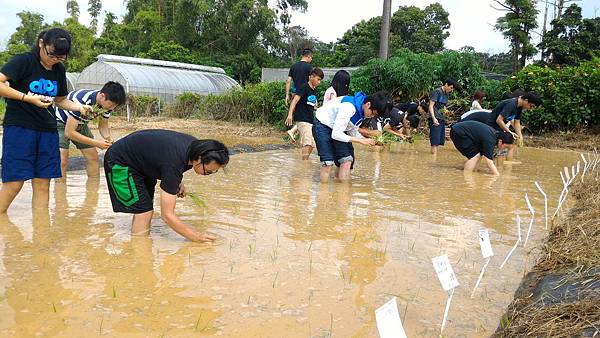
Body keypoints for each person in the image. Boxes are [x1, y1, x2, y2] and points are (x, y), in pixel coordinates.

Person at [0, 28, 92, 213]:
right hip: (20, 128)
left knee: (43, 183)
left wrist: (79, 107)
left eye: (60, 57)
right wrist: (27, 98)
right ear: (41, 43)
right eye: (52, 54)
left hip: (47, 131)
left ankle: (41, 233)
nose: (54, 59)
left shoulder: (59, 70)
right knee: (15, 183)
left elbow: (60, 100)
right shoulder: (24, 61)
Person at [103, 129, 229, 242]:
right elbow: (167, 215)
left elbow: (166, 159)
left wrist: (178, 182)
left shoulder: (196, 148)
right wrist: (195, 236)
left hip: (141, 163)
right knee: (144, 211)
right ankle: (139, 254)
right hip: (120, 162)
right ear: (199, 158)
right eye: (207, 171)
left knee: (145, 205)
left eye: (213, 172)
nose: (208, 174)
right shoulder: (175, 162)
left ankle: (140, 244)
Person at [312, 91, 389, 183]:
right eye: (373, 113)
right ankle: (323, 192)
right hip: (322, 124)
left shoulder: (360, 109)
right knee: (327, 163)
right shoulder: (349, 107)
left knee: (347, 160)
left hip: (336, 127)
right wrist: (361, 141)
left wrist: (365, 140)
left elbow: (352, 130)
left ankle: (342, 191)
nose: (371, 116)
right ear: (368, 104)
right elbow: (336, 134)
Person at [55, 81, 126, 180]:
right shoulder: (82, 100)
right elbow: (69, 132)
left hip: (80, 124)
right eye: (111, 104)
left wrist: (108, 138)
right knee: (62, 160)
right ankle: (60, 190)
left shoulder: (107, 105)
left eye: (115, 106)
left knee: (93, 157)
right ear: (102, 96)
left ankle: (93, 190)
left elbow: (103, 125)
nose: (112, 108)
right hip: (60, 123)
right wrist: (96, 143)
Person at [485, 92, 541, 160]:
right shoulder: (511, 104)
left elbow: (517, 122)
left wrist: (520, 137)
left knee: (505, 147)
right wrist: (509, 132)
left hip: (498, 127)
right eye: (531, 106)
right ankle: (503, 166)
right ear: (526, 100)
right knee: (506, 146)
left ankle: (500, 164)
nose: (530, 108)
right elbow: (499, 120)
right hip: (490, 127)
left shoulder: (519, 107)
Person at [285, 68, 324, 160]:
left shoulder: (313, 90)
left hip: (310, 120)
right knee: (308, 143)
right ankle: (304, 164)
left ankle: (303, 161)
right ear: (311, 77)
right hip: (302, 119)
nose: (319, 82)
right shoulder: (304, 87)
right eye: (318, 79)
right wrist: (290, 114)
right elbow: (294, 100)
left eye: (320, 80)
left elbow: (313, 105)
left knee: (312, 145)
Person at [450, 120, 514, 175]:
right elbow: (489, 162)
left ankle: (473, 172)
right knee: (475, 156)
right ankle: (467, 176)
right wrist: (497, 175)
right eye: (505, 147)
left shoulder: (494, 136)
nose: (504, 149)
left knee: (479, 155)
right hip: (458, 132)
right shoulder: (490, 140)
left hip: (460, 131)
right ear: (500, 141)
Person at [285, 48, 314, 141]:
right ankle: (294, 132)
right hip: (305, 94)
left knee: (299, 115)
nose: (311, 59)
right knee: (306, 116)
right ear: (308, 56)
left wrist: (287, 95)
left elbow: (288, 81)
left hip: (295, 94)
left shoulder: (293, 66)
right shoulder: (309, 67)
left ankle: (295, 133)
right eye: (311, 57)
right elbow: (312, 81)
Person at [427, 79, 456, 155]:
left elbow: (443, 107)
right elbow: (431, 106)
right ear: (446, 84)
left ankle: (434, 157)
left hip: (441, 118)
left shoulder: (446, 94)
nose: (451, 90)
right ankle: (433, 159)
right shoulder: (437, 92)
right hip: (435, 118)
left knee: (439, 140)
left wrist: (447, 112)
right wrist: (434, 119)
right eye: (451, 87)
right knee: (435, 141)